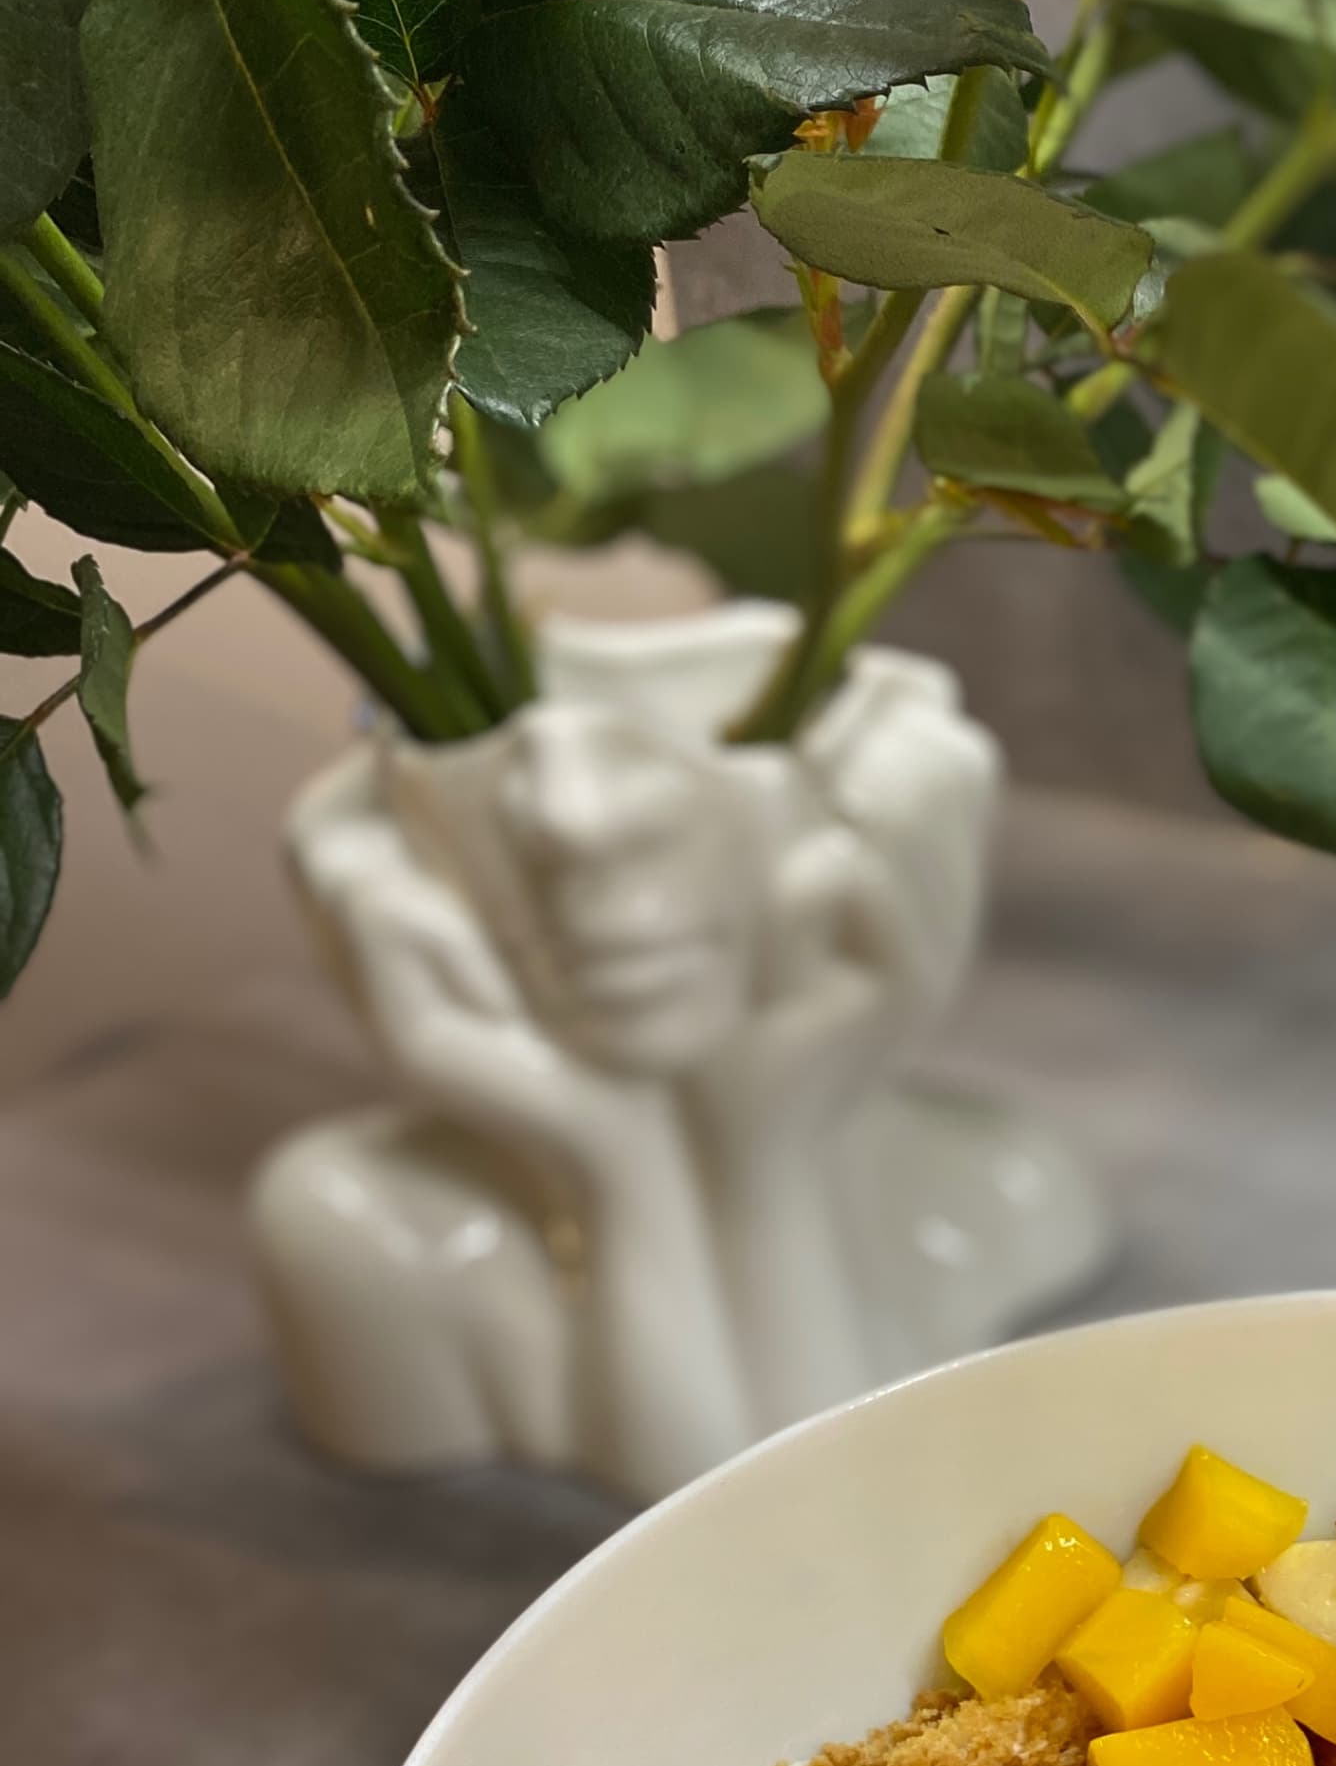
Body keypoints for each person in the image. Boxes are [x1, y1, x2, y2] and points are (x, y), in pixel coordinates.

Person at [251, 608, 1103, 1500]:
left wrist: (762, 1152)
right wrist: (613, 1160)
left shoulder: (1006, 1186)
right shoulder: (360, 1239)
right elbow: (731, 1515)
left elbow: (813, 1509)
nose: (592, 897)